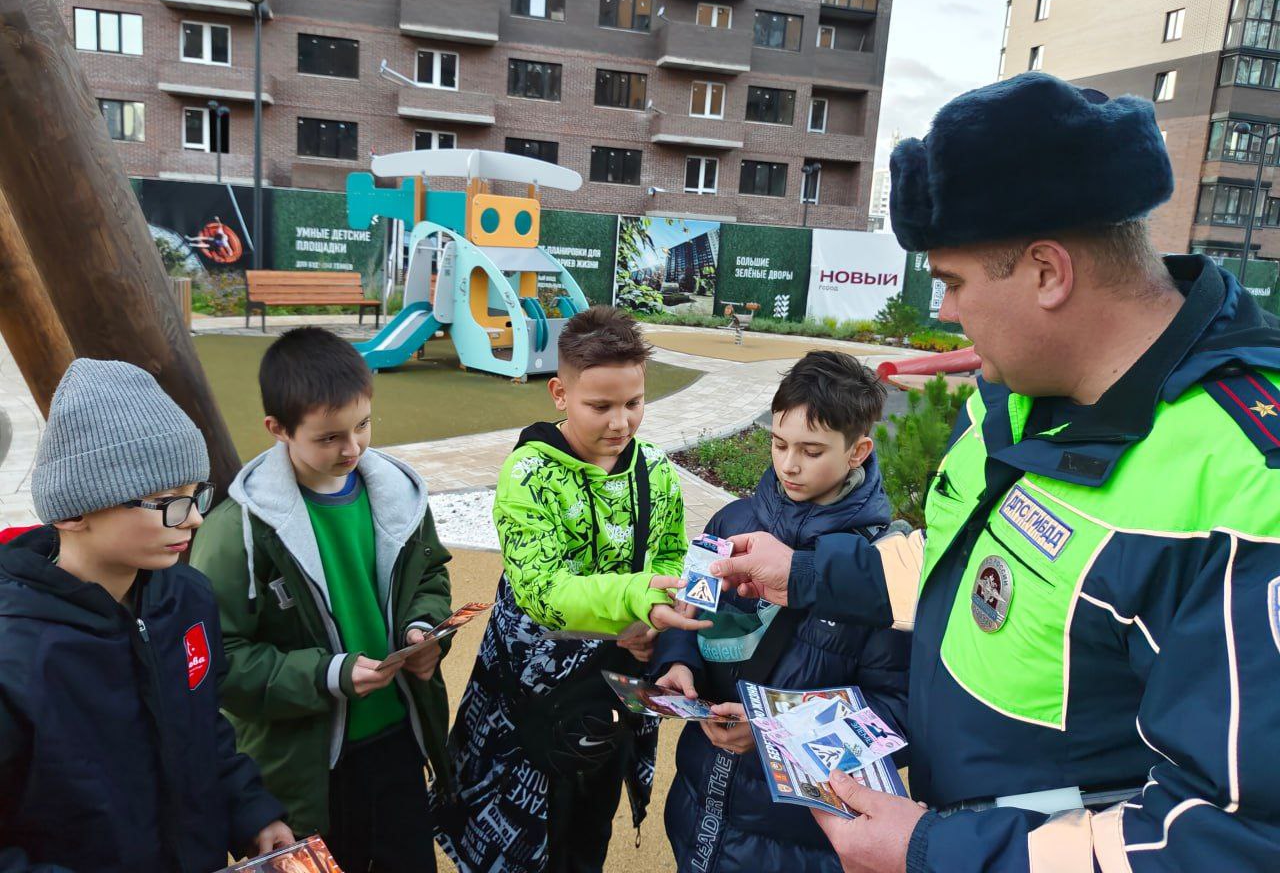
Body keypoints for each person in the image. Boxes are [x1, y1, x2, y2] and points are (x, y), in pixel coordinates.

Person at [712, 72, 1280, 872]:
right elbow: (961, 568)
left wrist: (934, 851)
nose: (943, 312)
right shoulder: (1012, 394)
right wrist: (801, 574)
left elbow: (1235, 839)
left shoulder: (1248, 486)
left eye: (953, 281)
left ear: (1048, 273)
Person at [434, 305, 709, 873]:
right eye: (600, 406)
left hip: (617, 684)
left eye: (633, 404)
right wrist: (636, 603)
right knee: (522, 828)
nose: (620, 423)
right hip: (532, 688)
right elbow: (543, 591)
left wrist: (653, 617)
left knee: (593, 813)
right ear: (560, 393)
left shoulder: (654, 470)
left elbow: (668, 553)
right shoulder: (530, 474)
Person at [0, 358, 291, 872]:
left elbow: (205, 729)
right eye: (168, 501)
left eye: (196, 494)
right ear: (74, 510)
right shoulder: (16, 652)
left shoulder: (188, 599)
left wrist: (250, 810)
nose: (196, 517)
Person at [191, 327, 453, 873]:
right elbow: (220, 661)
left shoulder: (399, 495)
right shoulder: (235, 530)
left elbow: (428, 575)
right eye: (329, 437)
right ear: (278, 429)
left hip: (401, 736)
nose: (352, 448)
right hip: (310, 764)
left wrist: (422, 629)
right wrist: (327, 674)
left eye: (363, 425)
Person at [654, 350, 910, 873]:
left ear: (859, 450)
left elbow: (897, 712)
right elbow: (688, 613)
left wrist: (776, 736)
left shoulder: (885, 567)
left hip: (798, 836)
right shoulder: (731, 520)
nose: (789, 464)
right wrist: (677, 663)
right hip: (699, 801)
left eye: (811, 450)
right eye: (778, 443)